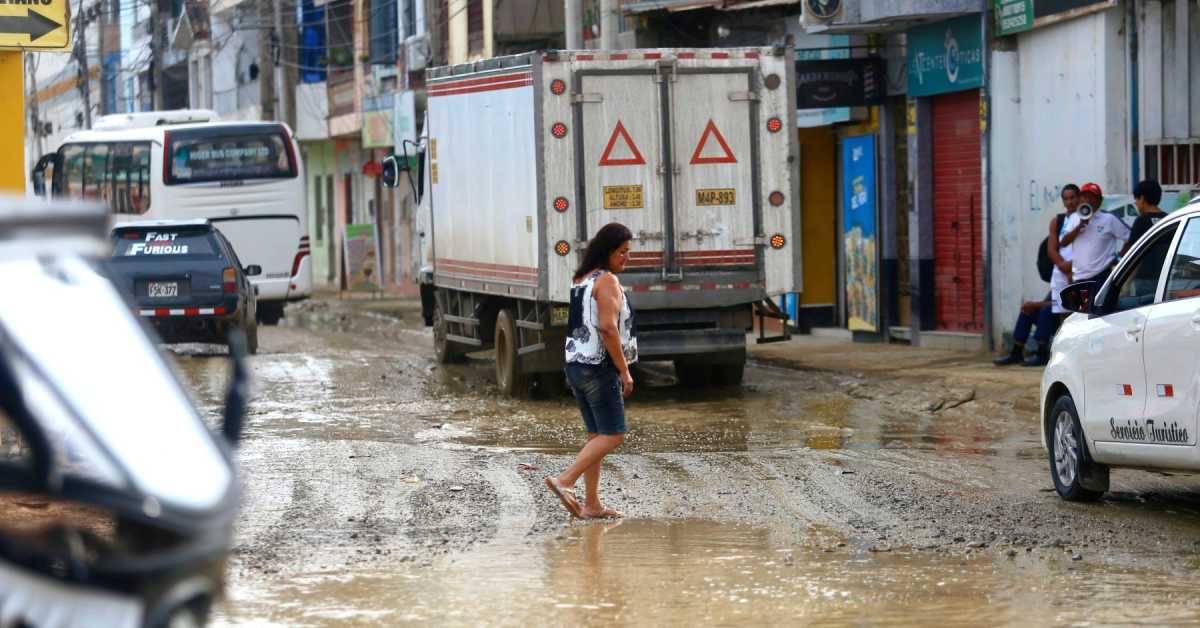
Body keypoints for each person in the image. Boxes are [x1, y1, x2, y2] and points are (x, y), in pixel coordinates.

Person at [545, 223, 637, 520]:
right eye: (622, 252)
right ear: (608, 251)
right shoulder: (607, 281)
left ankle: (592, 504)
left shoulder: (580, 279)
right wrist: (624, 371)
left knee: (596, 434)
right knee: (614, 434)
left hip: (575, 364)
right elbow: (608, 328)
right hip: (599, 366)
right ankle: (565, 481)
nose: (626, 258)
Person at [997, 185, 1078, 366]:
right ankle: (1017, 351)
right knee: (1029, 309)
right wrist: (1062, 265)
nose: (1070, 202)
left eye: (1073, 198)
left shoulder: (1084, 222)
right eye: (1066, 198)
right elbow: (1052, 249)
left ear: (1079, 198)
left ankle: (1042, 353)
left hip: (1076, 279)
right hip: (1063, 273)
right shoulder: (1058, 221)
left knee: (1045, 309)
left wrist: (1071, 268)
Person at [1059, 182, 1130, 293]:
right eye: (1084, 196)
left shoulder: (1109, 219)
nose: (1088, 200)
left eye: (1092, 197)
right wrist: (1079, 227)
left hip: (1102, 276)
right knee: (1081, 310)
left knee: (1099, 309)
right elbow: (1063, 242)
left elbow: (1130, 238)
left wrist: (1118, 260)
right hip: (1078, 278)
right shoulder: (1073, 218)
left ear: (1100, 200)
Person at [1121, 179, 1168, 255]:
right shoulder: (1168, 219)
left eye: (1136, 200)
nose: (1136, 203)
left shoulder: (1141, 221)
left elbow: (1130, 250)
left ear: (1142, 199)